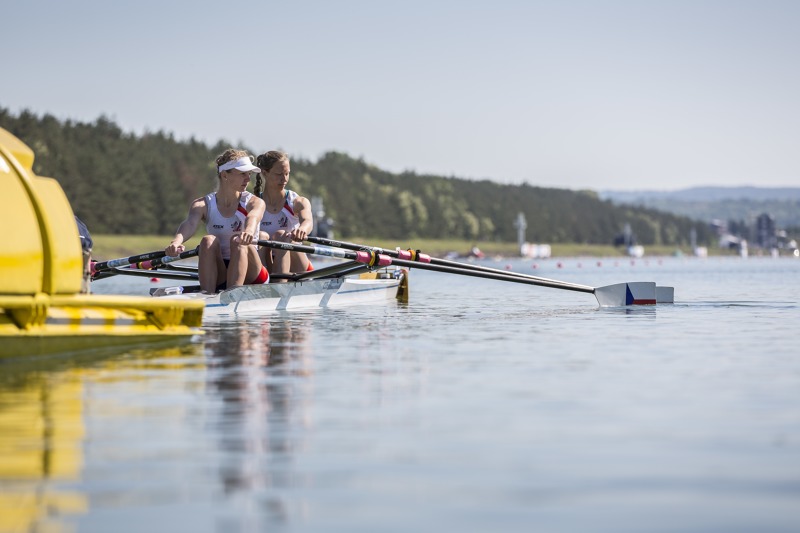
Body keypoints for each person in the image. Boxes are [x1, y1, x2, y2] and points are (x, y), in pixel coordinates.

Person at [165, 149, 268, 293]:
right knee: (207, 241)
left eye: (249, 174)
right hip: (221, 272)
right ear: (225, 175)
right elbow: (189, 224)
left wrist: (249, 231)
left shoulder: (254, 202)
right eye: (243, 174)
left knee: (237, 240)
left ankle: (232, 294)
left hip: (253, 273)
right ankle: (207, 295)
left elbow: (253, 218)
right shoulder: (202, 204)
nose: (248, 179)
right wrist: (176, 242)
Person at [254, 151, 314, 279]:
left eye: (287, 174)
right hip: (267, 263)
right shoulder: (253, 203)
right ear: (264, 173)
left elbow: (308, 221)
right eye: (279, 174)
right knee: (261, 237)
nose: (284, 179)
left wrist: (302, 230)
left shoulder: (296, 201)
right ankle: (263, 284)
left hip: (298, 267)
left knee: (281, 235)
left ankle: (279, 286)